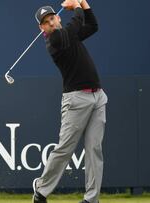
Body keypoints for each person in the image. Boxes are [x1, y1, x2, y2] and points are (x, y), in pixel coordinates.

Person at [32, 0, 107, 203]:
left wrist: (84, 4)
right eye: (45, 22)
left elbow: (92, 26)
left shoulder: (69, 35)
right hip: (76, 100)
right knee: (65, 148)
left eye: (52, 18)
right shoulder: (54, 40)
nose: (50, 22)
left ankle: (91, 199)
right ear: (42, 28)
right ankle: (41, 190)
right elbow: (75, 24)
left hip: (98, 96)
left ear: (57, 17)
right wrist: (76, 7)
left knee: (94, 149)